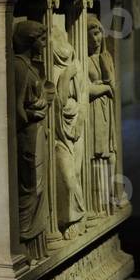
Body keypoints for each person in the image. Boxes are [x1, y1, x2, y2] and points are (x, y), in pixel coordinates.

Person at [13, 20, 50, 261]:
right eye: (41, 38)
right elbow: (15, 109)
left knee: (37, 189)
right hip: (28, 138)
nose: (45, 43)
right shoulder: (19, 67)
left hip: (36, 135)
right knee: (30, 190)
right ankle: (24, 238)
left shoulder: (29, 66)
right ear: (29, 40)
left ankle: (34, 240)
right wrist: (33, 114)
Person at [51, 28, 87, 239]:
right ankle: (71, 218)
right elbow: (60, 100)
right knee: (67, 178)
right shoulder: (53, 68)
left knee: (77, 173)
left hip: (76, 127)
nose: (63, 46)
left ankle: (79, 217)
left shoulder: (76, 64)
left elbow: (82, 96)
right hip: (59, 131)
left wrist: (80, 120)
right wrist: (66, 75)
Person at [87, 16, 117, 214]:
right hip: (94, 111)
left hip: (106, 110)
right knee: (97, 154)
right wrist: (104, 88)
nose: (96, 40)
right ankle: (99, 202)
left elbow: (113, 88)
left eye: (98, 34)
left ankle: (111, 198)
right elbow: (86, 90)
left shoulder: (106, 57)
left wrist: (105, 85)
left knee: (111, 154)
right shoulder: (84, 60)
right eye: (91, 36)